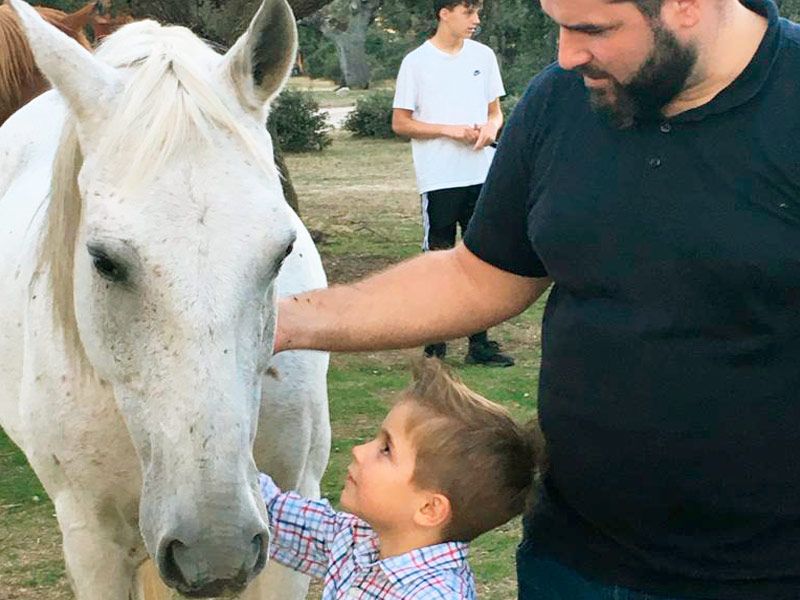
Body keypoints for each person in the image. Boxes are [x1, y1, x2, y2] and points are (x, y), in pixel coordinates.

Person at [274, 0, 800, 596]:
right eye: (558, 24)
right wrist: (281, 322)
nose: (566, 55)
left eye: (592, 29)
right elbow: (478, 275)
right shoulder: (560, 100)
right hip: (574, 559)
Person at [259, 359, 540, 599]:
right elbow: (272, 510)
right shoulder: (359, 540)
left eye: (386, 449)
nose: (358, 451)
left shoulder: (435, 595)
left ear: (429, 509)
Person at [392, 0, 513, 367]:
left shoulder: (483, 56)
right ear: (444, 13)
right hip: (440, 179)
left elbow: (495, 111)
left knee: (482, 259)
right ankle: (435, 346)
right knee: (439, 262)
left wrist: (490, 129)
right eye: (468, 12)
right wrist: (449, 130)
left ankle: (480, 344)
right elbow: (401, 122)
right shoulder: (416, 62)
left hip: (482, 175)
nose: (476, 20)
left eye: (477, 13)